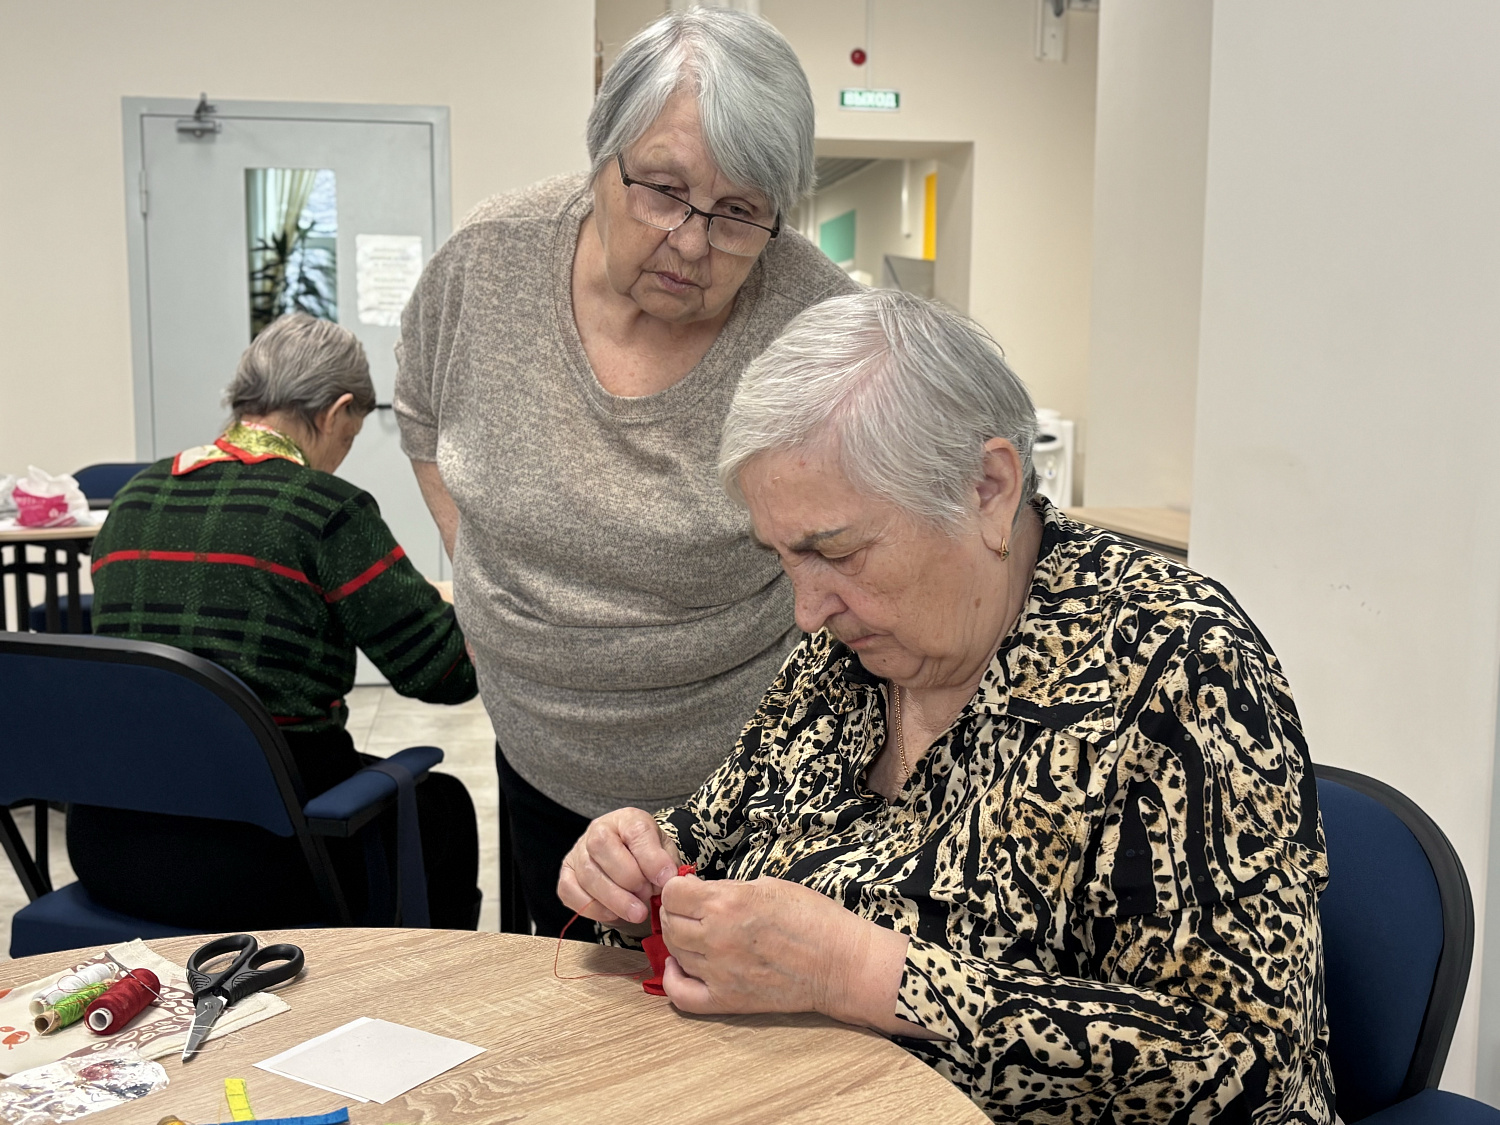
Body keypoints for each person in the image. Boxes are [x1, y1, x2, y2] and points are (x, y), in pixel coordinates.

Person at [558, 291, 1333, 1123]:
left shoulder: (1178, 662)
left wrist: (857, 971)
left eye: (838, 551)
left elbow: (1238, 1063)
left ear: (987, 488)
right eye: (785, 558)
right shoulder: (848, 653)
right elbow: (710, 836)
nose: (807, 611)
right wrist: (635, 864)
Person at [394, 8, 858, 936]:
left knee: (722, 1004)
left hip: (747, 782)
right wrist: (483, 589)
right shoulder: (485, 265)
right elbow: (422, 420)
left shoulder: (815, 320)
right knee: (571, 985)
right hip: (540, 749)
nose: (690, 242)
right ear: (601, 156)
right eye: (663, 189)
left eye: (739, 213)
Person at [79, 313, 483, 930]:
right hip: (269, 859)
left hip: (110, 844)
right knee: (443, 807)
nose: (342, 457)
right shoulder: (325, 509)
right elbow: (444, 673)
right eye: (351, 435)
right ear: (337, 411)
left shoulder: (135, 496)